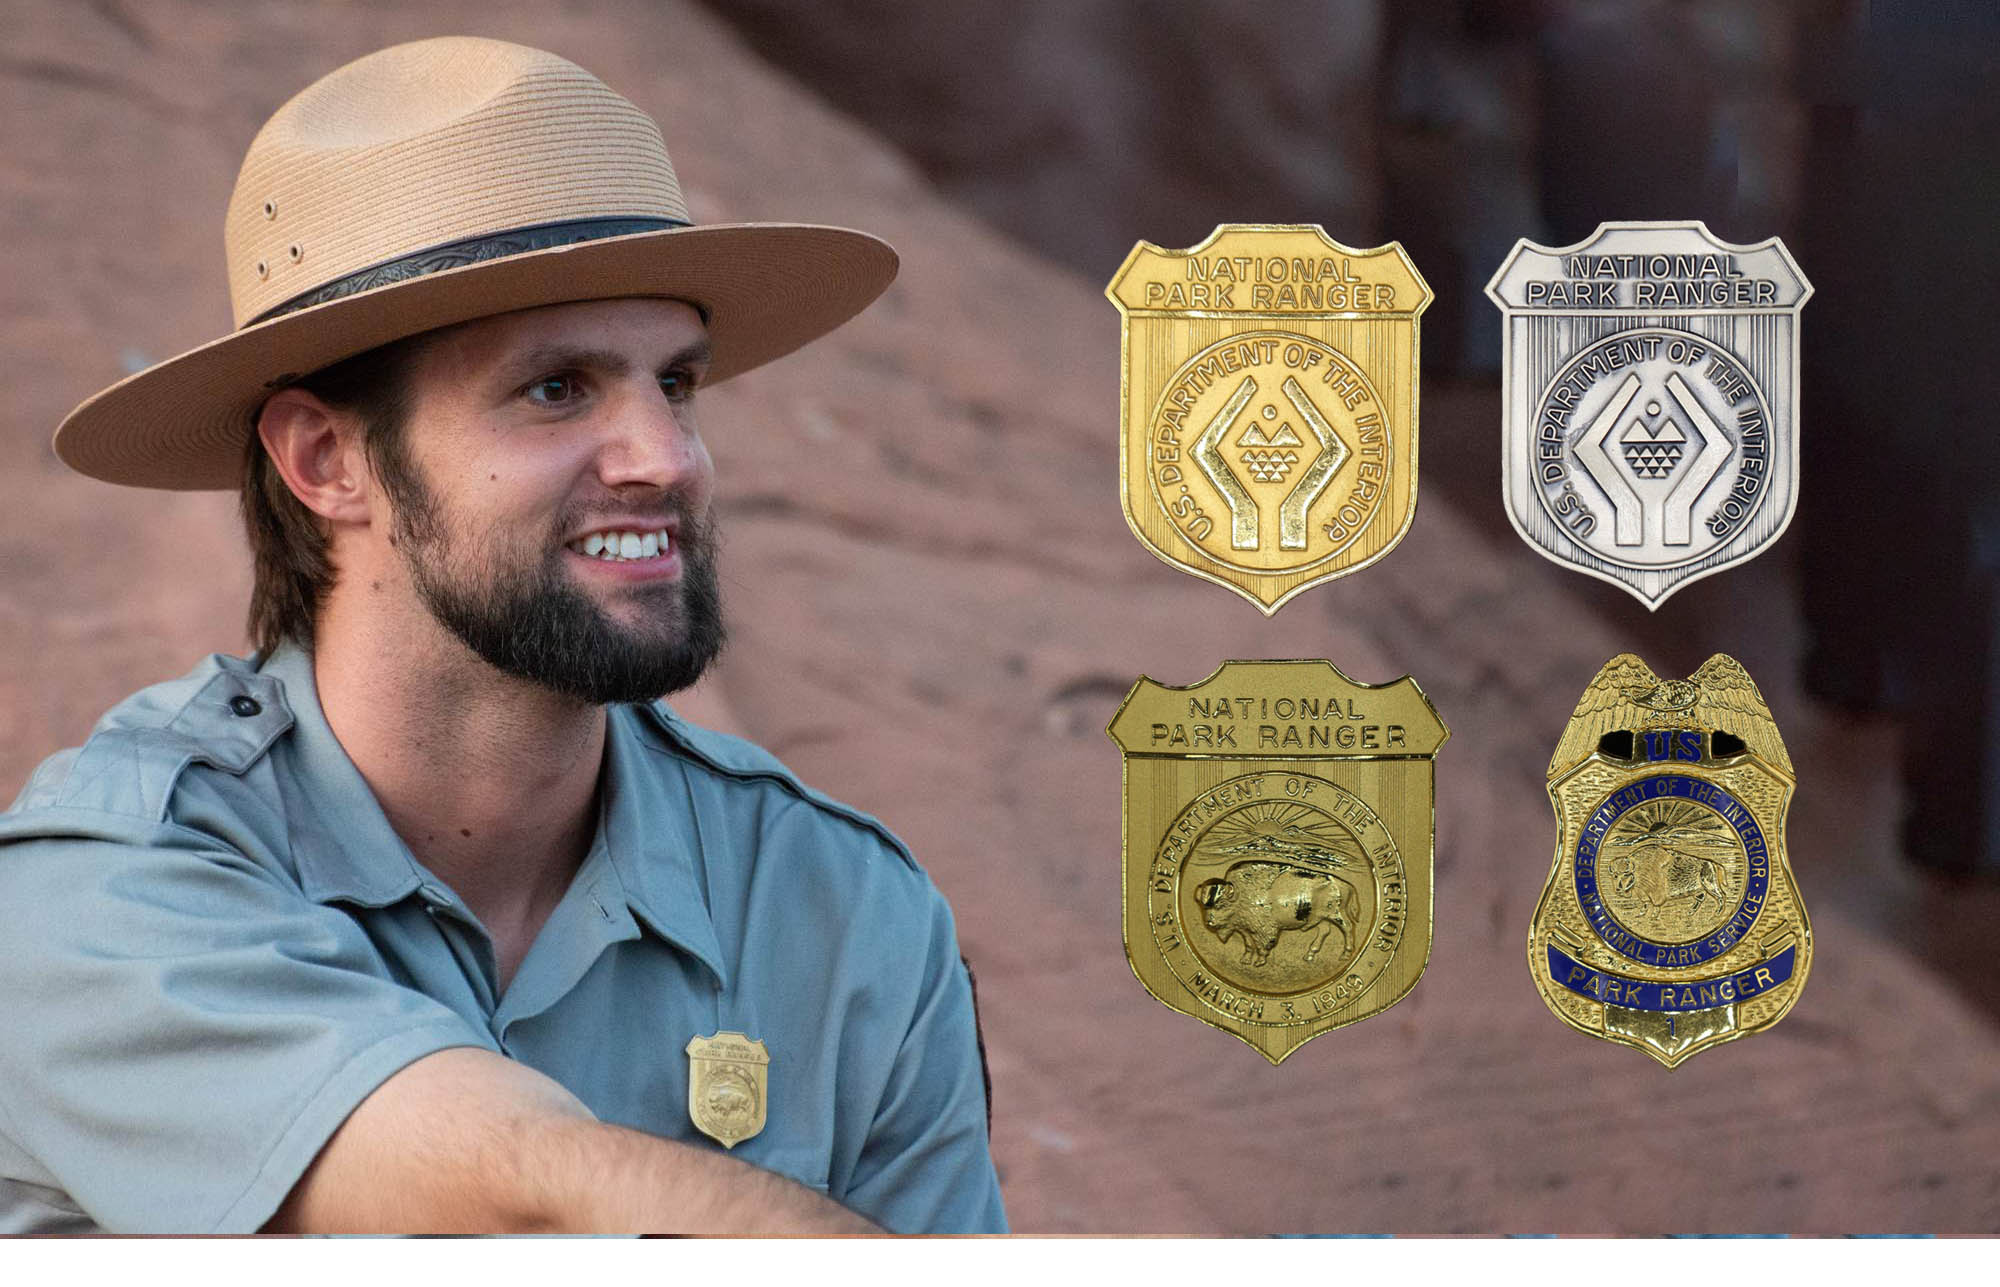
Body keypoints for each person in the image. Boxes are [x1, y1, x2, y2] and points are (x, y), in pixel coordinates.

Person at [0, 35, 1005, 1235]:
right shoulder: (98, 895)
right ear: (327, 461)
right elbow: (511, 1198)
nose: (666, 459)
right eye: (556, 389)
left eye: (674, 385)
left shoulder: (839, 909)